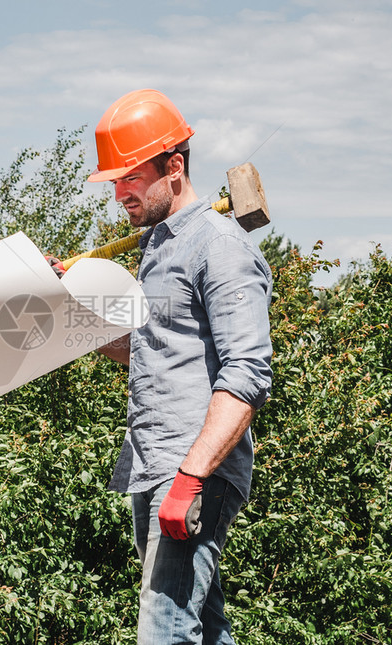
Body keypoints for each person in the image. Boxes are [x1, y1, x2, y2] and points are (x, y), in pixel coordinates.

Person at [90, 89, 273, 644]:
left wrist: (191, 478)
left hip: (192, 468)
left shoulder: (219, 246)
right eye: (114, 182)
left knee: (164, 631)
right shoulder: (157, 247)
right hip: (149, 461)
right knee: (205, 627)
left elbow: (247, 374)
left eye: (130, 178)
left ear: (174, 167)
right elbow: (145, 348)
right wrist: (64, 305)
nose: (120, 193)